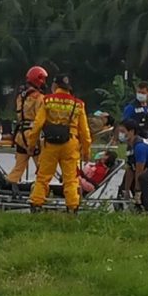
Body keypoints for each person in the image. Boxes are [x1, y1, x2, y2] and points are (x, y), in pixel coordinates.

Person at [25, 74, 92, 213]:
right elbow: (85, 131)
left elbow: (37, 124)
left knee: (43, 177)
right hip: (70, 143)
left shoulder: (47, 100)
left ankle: (36, 204)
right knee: (71, 178)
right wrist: (86, 151)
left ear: (55, 86)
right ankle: (72, 207)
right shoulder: (78, 104)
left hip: (50, 144)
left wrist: (31, 145)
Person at [7, 66, 48, 186]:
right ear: (38, 79)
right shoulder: (40, 98)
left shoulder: (21, 96)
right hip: (32, 135)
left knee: (19, 167)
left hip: (20, 135)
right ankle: (42, 189)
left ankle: (9, 183)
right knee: (42, 166)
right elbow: (40, 118)